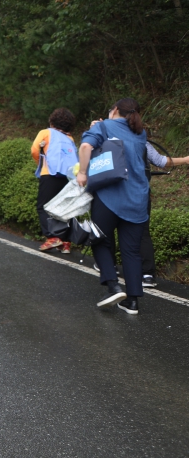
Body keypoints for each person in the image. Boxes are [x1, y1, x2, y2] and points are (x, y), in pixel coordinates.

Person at [76, 98, 150, 314]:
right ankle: (133, 301)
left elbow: (86, 146)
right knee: (132, 251)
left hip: (110, 197)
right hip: (138, 198)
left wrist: (82, 172)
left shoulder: (103, 126)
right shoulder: (140, 132)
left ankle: (113, 285)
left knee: (98, 239)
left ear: (115, 110)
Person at [141, 143, 189, 286]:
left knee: (112, 227)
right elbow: (161, 161)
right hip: (140, 194)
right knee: (142, 232)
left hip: (115, 193)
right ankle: (147, 274)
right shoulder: (141, 140)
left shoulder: (107, 135)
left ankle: (109, 267)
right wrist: (186, 159)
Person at [32, 108, 79, 253]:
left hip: (50, 174)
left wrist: (42, 164)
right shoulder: (70, 138)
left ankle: (52, 237)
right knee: (65, 207)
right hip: (68, 177)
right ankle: (66, 242)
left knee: (44, 206)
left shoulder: (45, 133)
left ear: (52, 121)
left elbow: (34, 150)